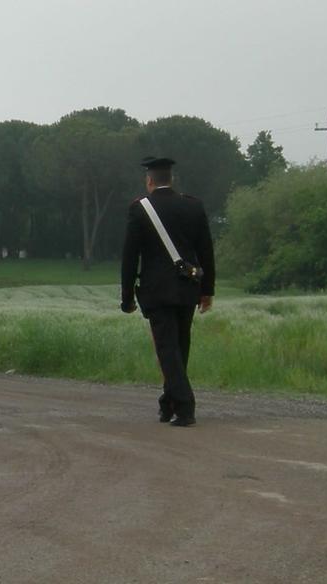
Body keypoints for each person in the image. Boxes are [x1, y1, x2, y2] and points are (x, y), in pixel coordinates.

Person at [120, 156, 215, 427]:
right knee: (180, 347)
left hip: (157, 291)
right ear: (171, 179)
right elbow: (206, 252)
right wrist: (207, 290)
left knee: (167, 350)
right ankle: (168, 403)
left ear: (149, 180)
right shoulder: (193, 206)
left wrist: (127, 298)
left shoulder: (140, 210)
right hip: (188, 288)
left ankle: (185, 408)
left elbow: (130, 257)